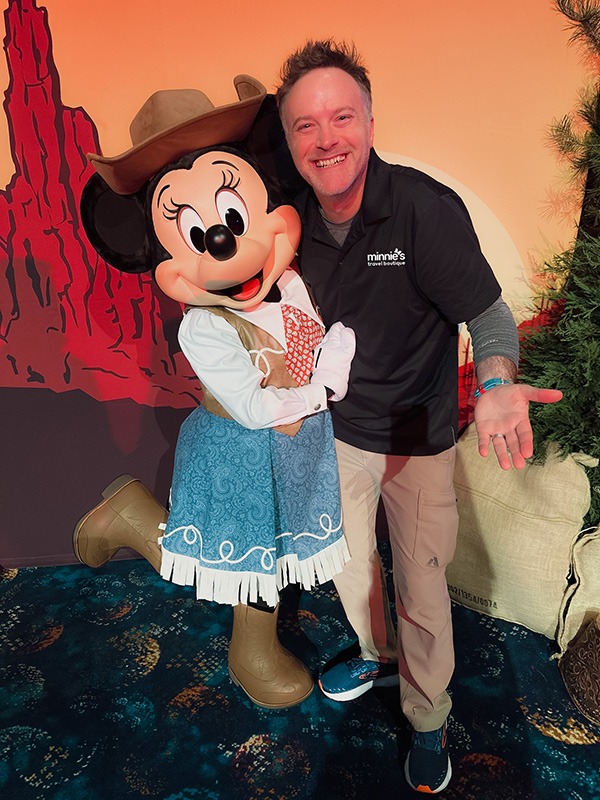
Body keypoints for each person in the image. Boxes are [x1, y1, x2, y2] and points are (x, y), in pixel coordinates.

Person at [274, 39, 563, 794]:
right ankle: (380, 655)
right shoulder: (290, 219)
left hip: (417, 436)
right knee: (345, 564)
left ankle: (428, 716)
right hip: (338, 429)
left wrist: (495, 382)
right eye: (306, 125)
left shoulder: (423, 210)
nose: (326, 138)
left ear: (370, 123)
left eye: (342, 117)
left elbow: (489, 317)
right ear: (290, 140)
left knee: (423, 584)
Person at [73, 77, 355, 710]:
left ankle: (129, 511)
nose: (226, 245)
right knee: (240, 557)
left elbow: (315, 345)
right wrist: (317, 390)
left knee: (270, 548)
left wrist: (329, 360)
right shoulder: (204, 326)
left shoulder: (292, 286)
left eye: (234, 217)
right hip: (237, 453)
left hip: (292, 449)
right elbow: (254, 406)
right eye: (198, 233)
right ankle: (249, 651)